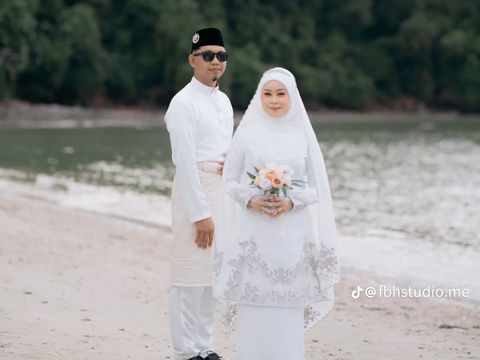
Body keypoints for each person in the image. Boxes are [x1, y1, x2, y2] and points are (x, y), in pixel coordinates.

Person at [212, 67, 340, 359]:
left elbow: (318, 186)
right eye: (267, 94)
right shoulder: (246, 134)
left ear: (292, 96)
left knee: (287, 312)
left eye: (280, 94)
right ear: (259, 97)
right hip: (254, 234)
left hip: (293, 236)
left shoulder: (303, 136)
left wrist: (292, 201)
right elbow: (230, 181)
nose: (274, 100)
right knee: (255, 307)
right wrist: (251, 200)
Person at [165, 28, 233, 360]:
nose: (215, 61)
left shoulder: (224, 101)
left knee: (211, 277)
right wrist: (199, 214)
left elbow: (229, 150)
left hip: (222, 194)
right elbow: (184, 162)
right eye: (208, 55)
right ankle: (184, 352)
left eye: (221, 55)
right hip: (195, 192)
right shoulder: (182, 102)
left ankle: (205, 348)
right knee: (188, 275)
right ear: (193, 60)